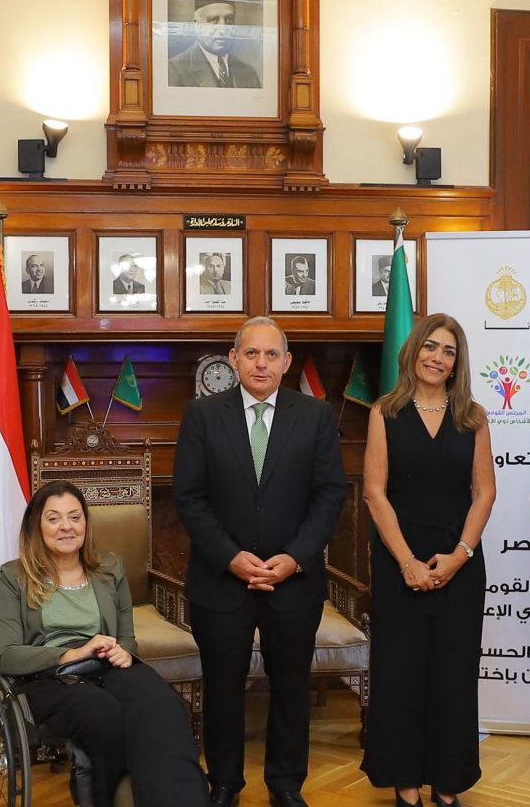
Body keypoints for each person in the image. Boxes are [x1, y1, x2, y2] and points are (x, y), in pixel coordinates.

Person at [174, 316, 348, 807]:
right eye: (251, 353)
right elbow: (189, 497)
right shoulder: (202, 415)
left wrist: (295, 558)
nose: (261, 363)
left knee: (291, 687)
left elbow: (330, 496)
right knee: (222, 687)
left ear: (287, 362)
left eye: (272, 354)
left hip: (292, 581)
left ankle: (286, 784)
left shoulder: (314, 416)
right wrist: (230, 557)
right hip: (221, 580)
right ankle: (225, 782)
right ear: (233, 359)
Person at [0, 480, 208, 804]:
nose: (66, 526)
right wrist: (72, 654)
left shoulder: (109, 568)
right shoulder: (13, 577)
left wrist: (124, 652)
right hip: (48, 677)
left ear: (86, 523)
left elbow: (127, 638)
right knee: (101, 712)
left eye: (75, 517)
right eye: (54, 518)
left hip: (106, 665)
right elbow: (7, 655)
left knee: (163, 705)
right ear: (36, 525)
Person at [359, 314, 495, 806]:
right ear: (414, 350)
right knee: (401, 674)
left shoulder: (473, 416)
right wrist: (407, 563)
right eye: (431, 346)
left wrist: (459, 556)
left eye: (449, 351)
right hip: (400, 562)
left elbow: (484, 492)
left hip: (460, 564)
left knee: (453, 675)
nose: (438, 357)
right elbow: (374, 493)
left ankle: (448, 781)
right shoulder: (386, 411)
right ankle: (406, 783)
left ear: (458, 363)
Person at [166, 0, 261, 88]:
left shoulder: (249, 74)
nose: (223, 28)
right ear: (197, 25)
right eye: (214, 20)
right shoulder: (174, 70)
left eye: (229, 20)